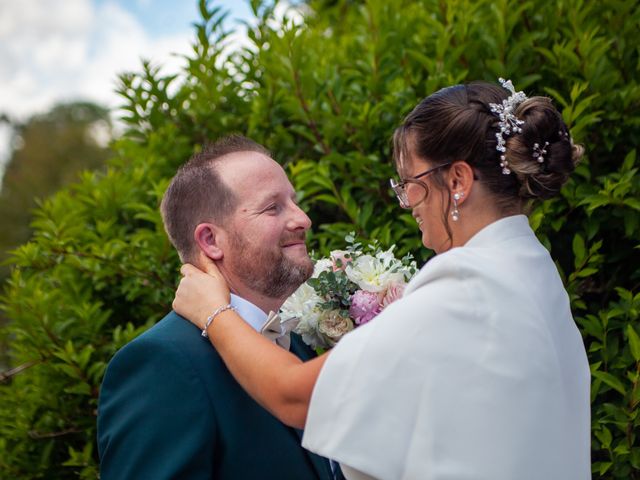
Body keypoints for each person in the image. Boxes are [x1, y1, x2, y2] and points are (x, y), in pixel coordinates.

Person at [173, 80, 591, 480]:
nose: (407, 201)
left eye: (411, 183)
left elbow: (295, 394)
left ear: (459, 181)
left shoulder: (471, 283)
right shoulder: (533, 271)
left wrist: (214, 311)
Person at [97, 135, 339, 480]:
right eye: (273, 207)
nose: (303, 219)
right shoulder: (162, 364)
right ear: (210, 241)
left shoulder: (295, 343)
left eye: (294, 202)